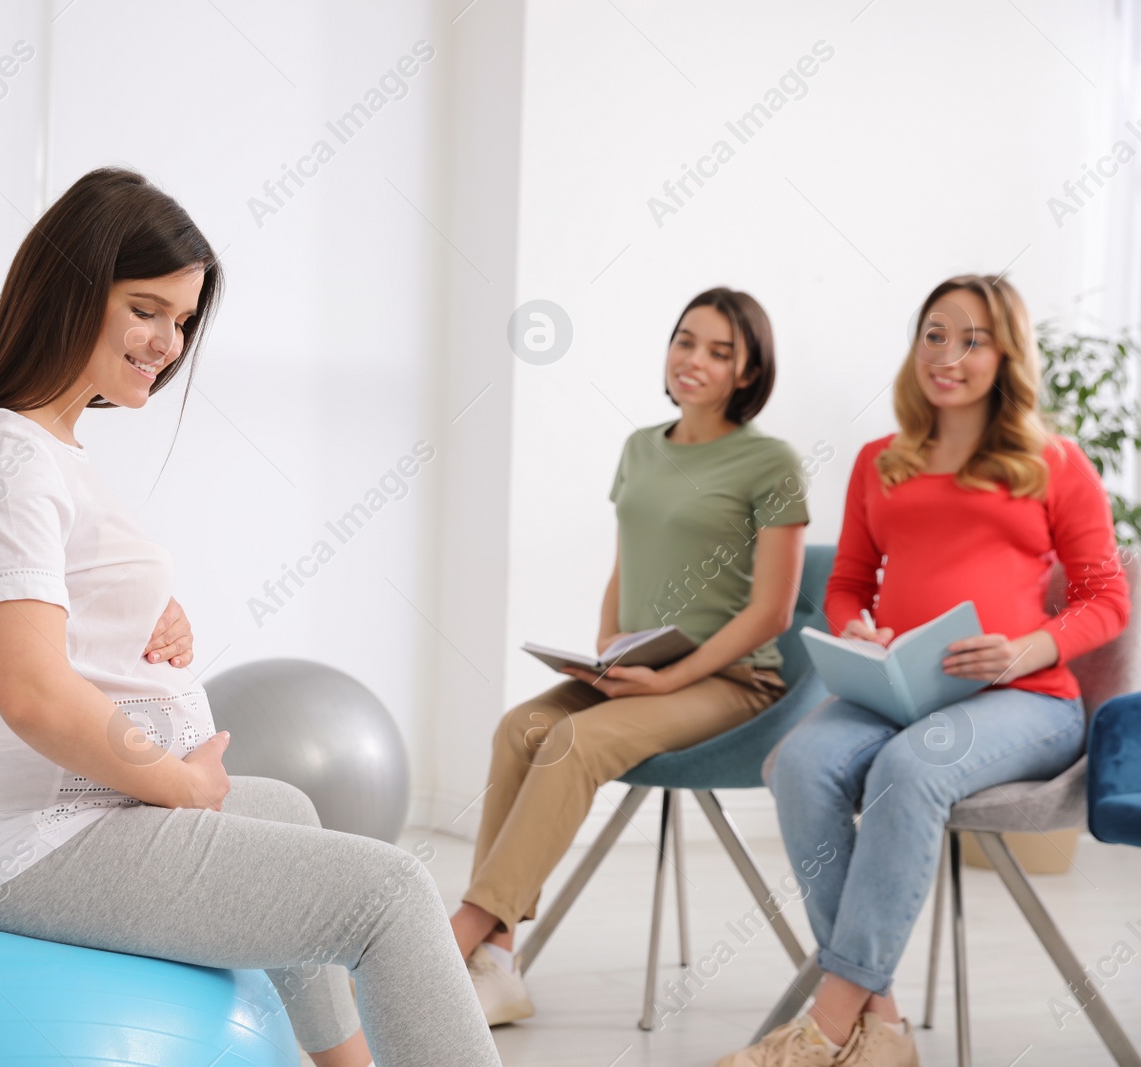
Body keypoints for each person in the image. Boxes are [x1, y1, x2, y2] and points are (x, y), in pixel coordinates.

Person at [0, 166, 502, 1067]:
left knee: (282, 805)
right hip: (13, 833)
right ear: (71, 287)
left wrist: (145, 609)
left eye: (182, 320)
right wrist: (177, 780)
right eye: (146, 309)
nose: (167, 342)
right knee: (392, 890)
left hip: (60, 806)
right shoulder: (6, 450)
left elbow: (53, 606)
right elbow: (31, 691)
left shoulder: (34, 445)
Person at [721, 275, 1129, 1067]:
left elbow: (1106, 597)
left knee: (912, 768)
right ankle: (885, 1025)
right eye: (934, 334)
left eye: (972, 339)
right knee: (802, 762)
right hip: (898, 688)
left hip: (1025, 698)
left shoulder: (1054, 462)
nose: (947, 355)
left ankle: (827, 1023)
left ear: (1006, 354)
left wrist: (1023, 649)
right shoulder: (882, 461)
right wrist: (856, 630)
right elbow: (846, 583)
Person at [448, 288, 811, 1025]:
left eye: (719, 351)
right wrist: (608, 651)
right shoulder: (642, 447)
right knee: (520, 728)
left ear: (749, 371)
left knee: (573, 739)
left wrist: (670, 678)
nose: (694, 360)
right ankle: (501, 961)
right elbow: (625, 566)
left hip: (734, 684)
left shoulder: (770, 462)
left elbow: (772, 610)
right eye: (685, 340)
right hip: (640, 670)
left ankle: (458, 933)